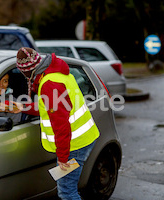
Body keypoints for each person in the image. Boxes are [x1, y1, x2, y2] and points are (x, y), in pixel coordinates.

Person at [12, 47, 100, 200]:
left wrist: (63, 157)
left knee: (67, 192)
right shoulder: (55, 74)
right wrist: (23, 107)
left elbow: (61, 124)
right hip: (82, 139)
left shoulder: (49, 84)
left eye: (24, 73)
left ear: (28, 71)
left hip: (75, 145)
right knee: (67, 189)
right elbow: (49, 107)